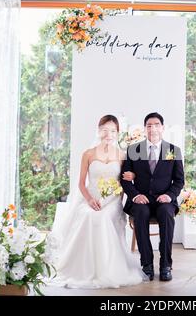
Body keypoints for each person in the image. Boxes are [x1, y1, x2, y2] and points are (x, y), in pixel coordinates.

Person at [49, 115, 146, 289]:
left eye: (113, 131)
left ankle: (108, 269)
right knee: (87, 215)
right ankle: (84, 268)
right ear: (99, 130)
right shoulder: (88, 154)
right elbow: (81, 183)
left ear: (118, 133)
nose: (109, 134)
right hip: (91, 199)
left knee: (102, 218)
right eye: (105, 130)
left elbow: (125, 181)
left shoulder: (122, 155)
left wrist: (133, 176)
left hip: (113, 201)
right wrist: (90, 200)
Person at [120, 112, 185, 281]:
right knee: (140, 213)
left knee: (165, 212)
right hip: (142, 199)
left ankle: (166, 266)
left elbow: (179, 180)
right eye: (149, 125)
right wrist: (135, 196)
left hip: (164, 200)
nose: (152, 128)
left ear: (162, 128)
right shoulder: (134, 150)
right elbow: (125, 179)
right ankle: (146, 264)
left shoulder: (173, 150)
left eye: (156, 125)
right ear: (144, 129)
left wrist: (170, 196)